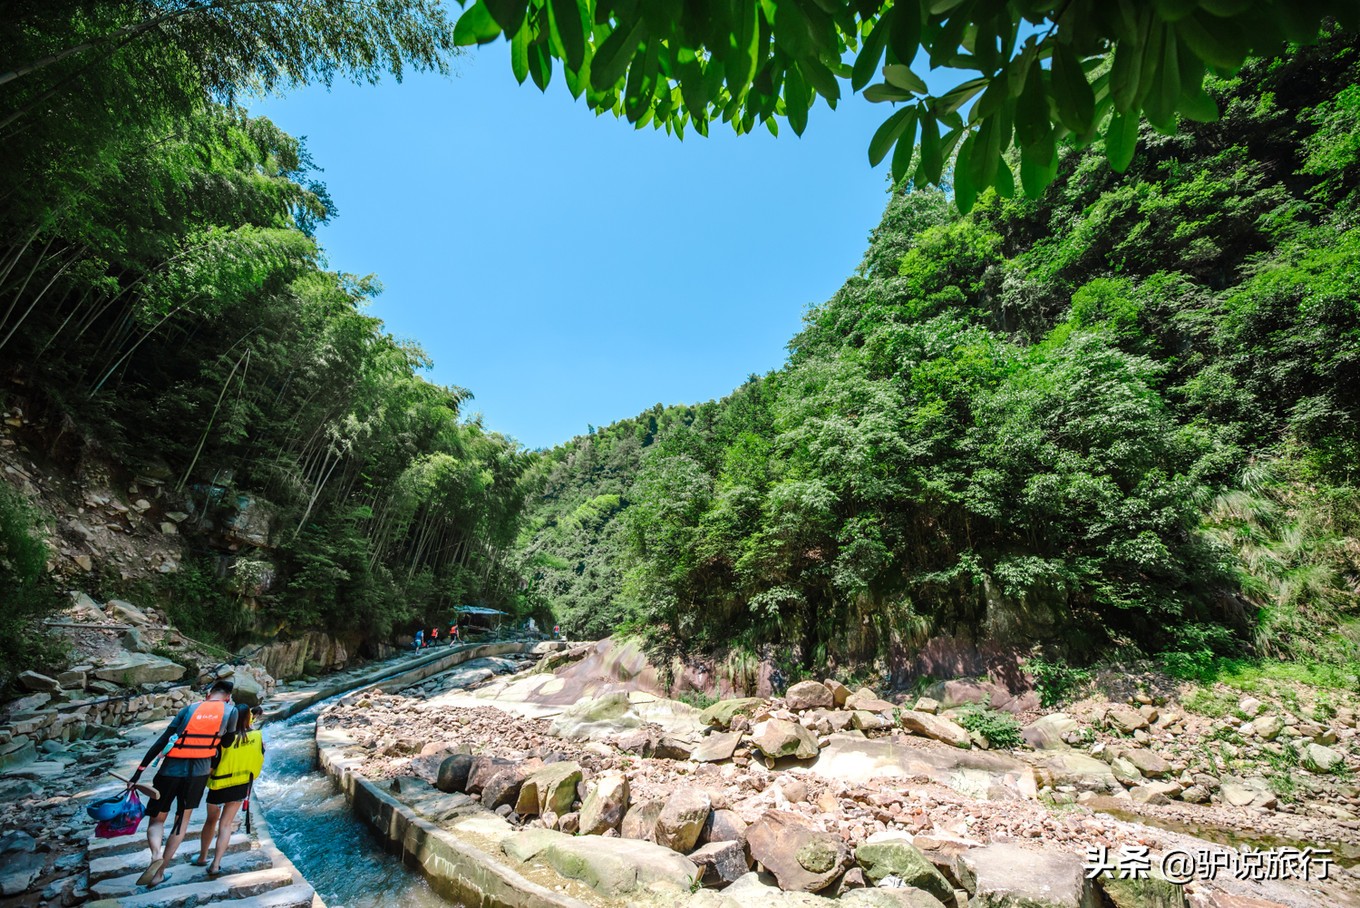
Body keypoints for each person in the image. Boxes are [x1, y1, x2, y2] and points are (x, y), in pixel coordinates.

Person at [130, 680, 239, 888]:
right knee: (181, 823)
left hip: (169, 771)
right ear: (228, 697)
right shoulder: (230, 711)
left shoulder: (190, 708)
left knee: (156, 821)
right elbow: (226, 742)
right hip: (197, 775)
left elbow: (162, 740)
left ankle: (155, 855)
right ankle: (159, 874)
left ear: (209, 694)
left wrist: (139, 772)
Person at [196, 705, 264, 875]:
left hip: (219, 786)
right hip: (241, 785)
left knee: (211, 821)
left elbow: (212, 764)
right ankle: (216, 864)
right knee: (226, 824)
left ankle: (202, 857)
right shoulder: (256, 736)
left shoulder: (224, 740)